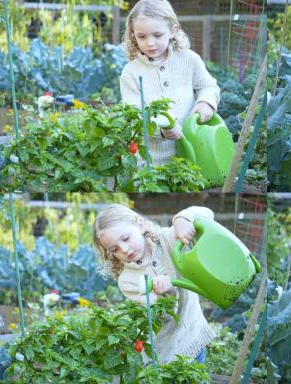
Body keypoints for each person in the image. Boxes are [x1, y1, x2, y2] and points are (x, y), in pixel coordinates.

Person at [93, 204, 216, 364]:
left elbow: (208, 214)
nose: (124, 249)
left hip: (193, 339)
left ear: (140, 225)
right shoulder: (128, 280)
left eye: (126, 238)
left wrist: (183, 219)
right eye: (114, 249)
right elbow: (159, 318)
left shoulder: (169, 239)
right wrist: (166, 296)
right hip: (164, 353)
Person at [120, 0, 220, 165]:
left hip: (192, 156)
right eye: (141, 36)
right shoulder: (130, 72)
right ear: (133, 35)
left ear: (173, 31)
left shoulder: (189, 59)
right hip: (150, 162)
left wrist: (205, 103)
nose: (150, 43)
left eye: (157, 35)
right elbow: (134, 115)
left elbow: (208, 86)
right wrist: (161, 131)